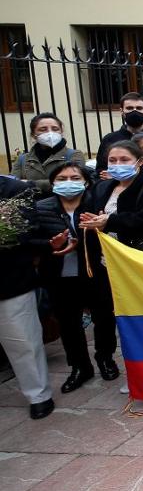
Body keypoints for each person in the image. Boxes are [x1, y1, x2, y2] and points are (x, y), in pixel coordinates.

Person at [31, 160, 112, 394]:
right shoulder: (41, 208)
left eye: (75, 178)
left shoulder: (98, 205)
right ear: (53, 183)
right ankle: (79, 367)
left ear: (86, 182)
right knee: (68, 324)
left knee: (104, 318)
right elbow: (29, 242)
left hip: (96, 272)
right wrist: (50, 245)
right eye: (62, 179)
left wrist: (99, 228)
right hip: (59, 276)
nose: (69, 183)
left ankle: (105, 359)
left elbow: (113, 234)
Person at [0, 174, 54, 420]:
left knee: (22, 340)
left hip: (9, 280)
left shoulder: (14, 189)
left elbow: (25, 232)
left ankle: (38, 395)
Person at [80, 140, 143, 261]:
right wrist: (93, 221)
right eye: (112, 160)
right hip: (107, 258)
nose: (118, 164)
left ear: (140, 161)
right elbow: (88, 212)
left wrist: (110, 221)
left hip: (141, 257)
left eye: (124, 160)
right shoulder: (102, 187)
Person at [12, 112, 86, 194]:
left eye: (55, 129)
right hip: (30, 204)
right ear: (33, 134)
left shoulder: (74, 155)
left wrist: (30, 183)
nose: (50, 133)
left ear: (61, 132)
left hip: (61, 203)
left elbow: (71, 184)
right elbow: (13, 185)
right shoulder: (23, 159)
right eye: (43, 129)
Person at [95, 91, 143, 166]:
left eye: (139, 108)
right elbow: (101, 168)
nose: (134, 111)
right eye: (129, 108)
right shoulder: (110, 139)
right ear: (121, 111)